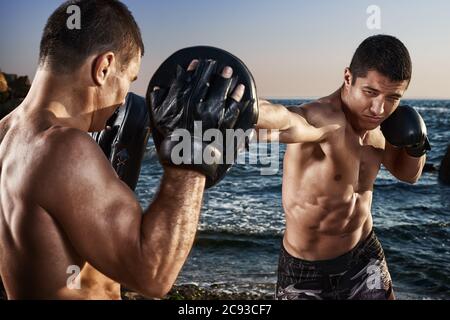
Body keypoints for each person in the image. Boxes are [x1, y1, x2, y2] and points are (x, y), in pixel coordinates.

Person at [0, 0, 248, 299]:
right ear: (104, 67)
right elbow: (153, 275)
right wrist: (192, 153)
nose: (124, 98)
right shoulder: (63, 148)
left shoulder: (7, 135)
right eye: (129, 79)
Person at [255, 34, 430, 299]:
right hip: (306, 269)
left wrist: (416, 146)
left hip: (365, 255)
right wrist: (250, 110)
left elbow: (409, 175)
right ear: (348, 78)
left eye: (393, 97)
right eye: (370, 92)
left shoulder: (383, 126)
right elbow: (285, 120)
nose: (379, 109)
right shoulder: (323, 118)